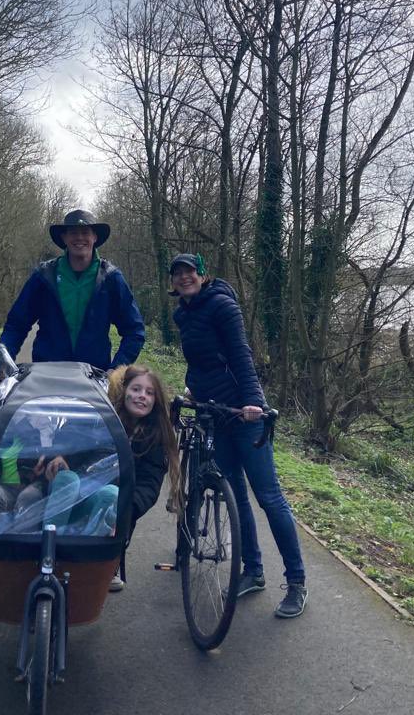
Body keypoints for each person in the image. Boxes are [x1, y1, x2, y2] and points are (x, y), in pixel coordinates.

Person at [169, 253, 308, 619]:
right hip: (215, 413)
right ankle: (254, 571)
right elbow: (201, 361)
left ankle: (296, 583)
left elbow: (240, 356)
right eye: (177, 274)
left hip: (244, 417)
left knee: (269, 497)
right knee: (235, 494)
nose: (184, 278)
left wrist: (252, 402)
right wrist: (192, 391)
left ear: (202, 274)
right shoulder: (181, 314)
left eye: (189, 272)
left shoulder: (222, 306)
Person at [0, 209, 145, 372]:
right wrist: (3, 362)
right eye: (73, 232)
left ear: (95, 237)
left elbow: (134, 331)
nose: (80, 238)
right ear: (64, 238)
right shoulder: (44, 276)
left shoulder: (111, 278)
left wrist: (116, 370)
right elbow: (16, 324)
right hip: (46, 376)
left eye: (85, 232)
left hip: (94, 379)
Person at [107, 364, 181, 591]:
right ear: (124, 391)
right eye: (136, 389)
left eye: (149, 393)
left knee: (120, 518)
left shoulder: (156, 435)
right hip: (94, 489)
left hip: (126, 500)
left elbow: (150, 482)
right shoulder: (106, 420)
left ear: (156, 401)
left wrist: (127, 510)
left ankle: (111, 561)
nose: (142, 396)